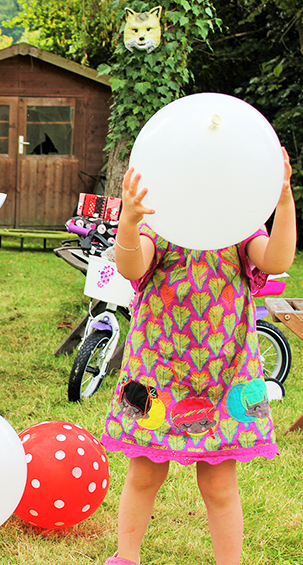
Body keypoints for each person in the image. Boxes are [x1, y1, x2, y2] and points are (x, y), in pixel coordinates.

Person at [101, 148, 296, 565]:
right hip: (159, 370)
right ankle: (126, 558)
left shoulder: (240, 226)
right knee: (144, 475)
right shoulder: (161, 223)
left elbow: (277, 260)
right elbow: (131, 268)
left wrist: (283, 201)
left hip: (224, 376)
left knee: (220, 484)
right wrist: (131, 222)